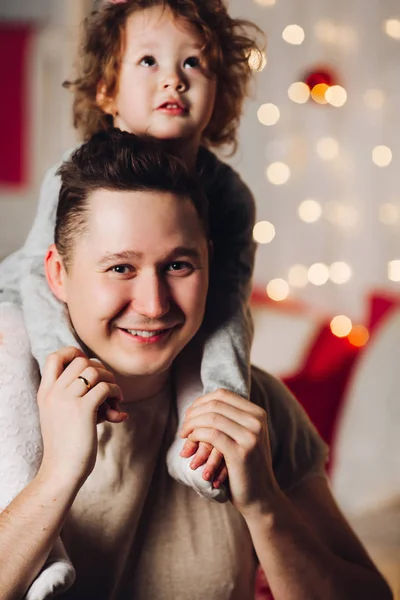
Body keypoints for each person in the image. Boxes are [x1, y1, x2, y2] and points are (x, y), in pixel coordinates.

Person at [0, 129, 392, 600]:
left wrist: (264, 505)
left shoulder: (255, 405)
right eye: (121, 268)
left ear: (210, 264)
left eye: (178, 266)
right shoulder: (11, 397)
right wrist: (58, 474)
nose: (152, 303)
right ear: (58, 274)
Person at [0, 0, 262, 593]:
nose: (173, 77)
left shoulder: (231, 198)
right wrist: (67, 368)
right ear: (107, 91)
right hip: (27, 310)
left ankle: (187, 451)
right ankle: (44, 552)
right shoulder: (74, 176)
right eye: (147, 61)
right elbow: (43, 288)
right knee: (7, 344)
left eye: (195, 63)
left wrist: (219, 401)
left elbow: (224, 313)